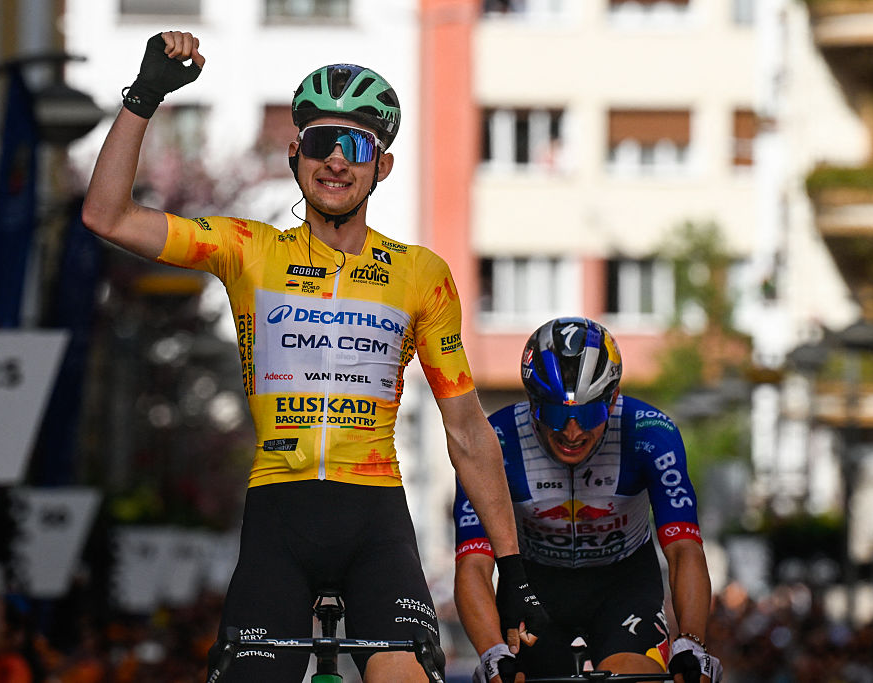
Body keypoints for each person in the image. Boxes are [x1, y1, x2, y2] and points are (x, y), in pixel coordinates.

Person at [81, 31, 548, 682]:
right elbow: (106, 216)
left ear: (381, 165)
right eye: (320, 143)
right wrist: (145, 95)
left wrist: (514, 566)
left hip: (375, 517)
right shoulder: (249, 249)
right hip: (280, 515)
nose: (335, 161)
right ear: (295, 152)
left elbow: (467, 429)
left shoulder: (421, 274)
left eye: (354, 146)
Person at [452, 317, 723, 683]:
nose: (572, 431)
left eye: (589, 413)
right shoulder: (496, 442)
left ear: (612, 400)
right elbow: (473, 563)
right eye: (555, 413)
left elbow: (684, 548)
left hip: (624, 585)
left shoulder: (650, 433)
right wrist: (491, 651)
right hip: (535, 587)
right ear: (532, 402)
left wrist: (691, 642)